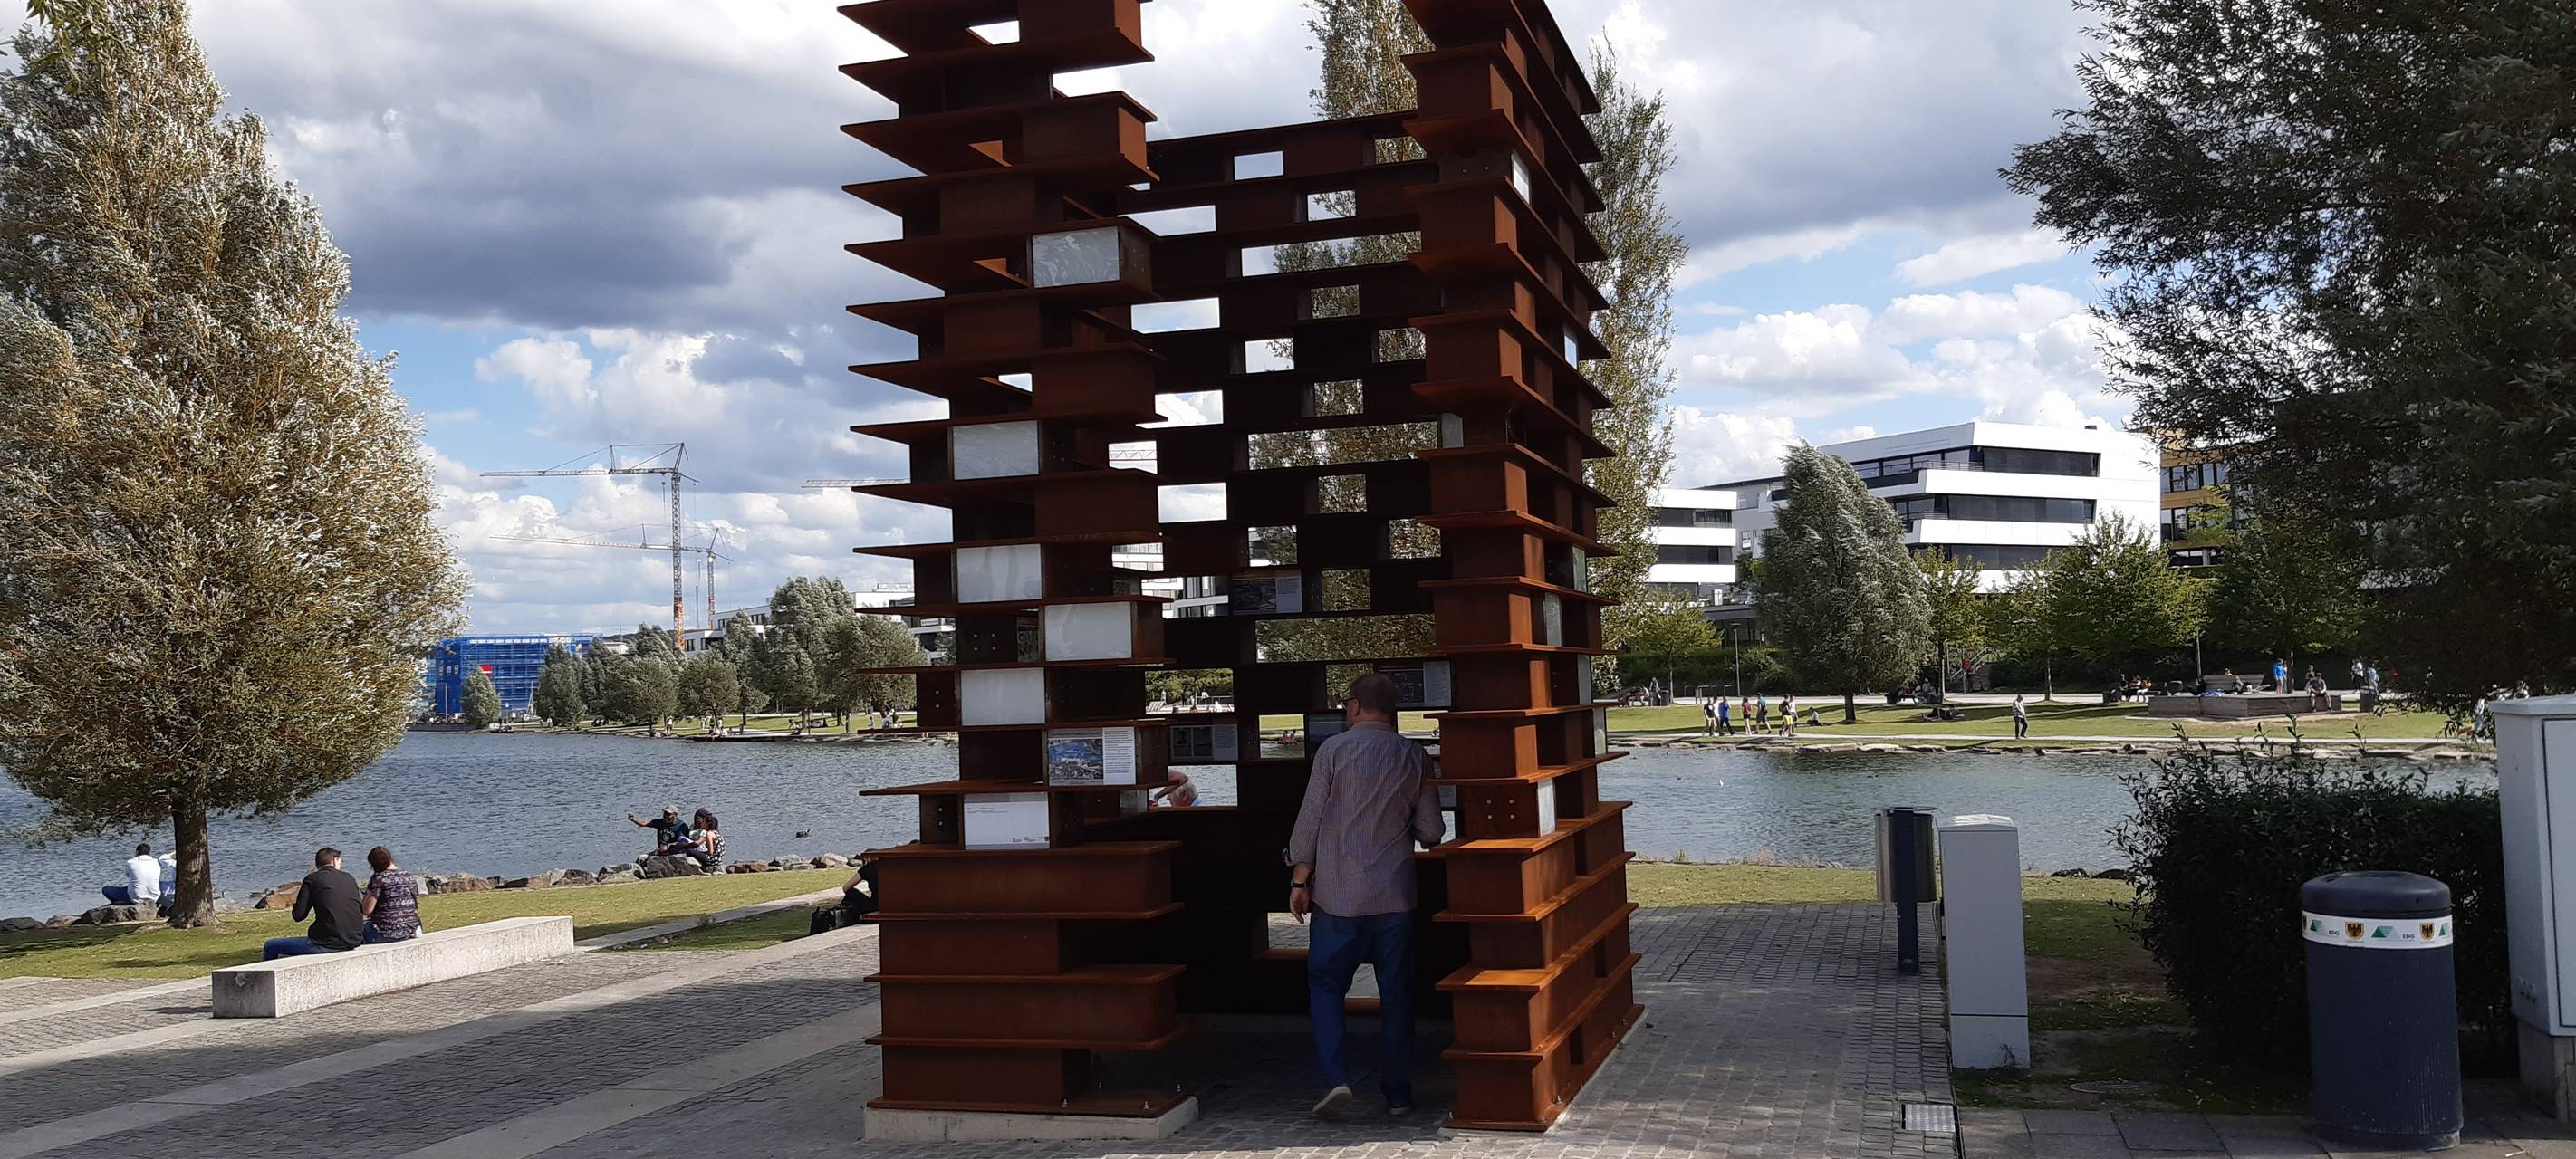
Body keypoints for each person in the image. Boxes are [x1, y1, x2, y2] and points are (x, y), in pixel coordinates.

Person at [1286, 673, 1443, 1120]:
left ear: (1354, 707)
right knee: (1396, 995)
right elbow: (1431, 832)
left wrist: (1300, 881)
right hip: (1395, 895)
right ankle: (1397, 1093)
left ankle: (1336, 1078)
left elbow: (1310, 820)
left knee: (1326, 984)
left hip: (1338, 895)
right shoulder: (1415, 756)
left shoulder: (1333, 751)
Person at [263, 848, 365, 960]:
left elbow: (298, 915)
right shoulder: (349, 878)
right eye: (340, 861)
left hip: (327, 943)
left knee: (270, 946)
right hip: (354, 939)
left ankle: (260, 977)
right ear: (335, 861)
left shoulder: (312, 879)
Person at [360, 846, 423, 943]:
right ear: (391, 858)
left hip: (385, 932)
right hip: (411, 929)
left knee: (358, 930)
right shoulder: (408, 876)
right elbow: (414, 906)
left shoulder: (379, 879)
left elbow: (367, 910)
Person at [811, 857, 882, 934]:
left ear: (867, 859)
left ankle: (838, 916)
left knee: (851, 893)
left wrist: (864, 869)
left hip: (875, 908)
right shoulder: (891, 867)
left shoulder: (869, 868)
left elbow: (846, 888)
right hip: (891, 906)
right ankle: (838, 916)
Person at [102, 842, 161, 907]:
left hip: (136, 898)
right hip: (154, 898)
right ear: (150, 852)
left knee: (106, 889)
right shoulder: (156, 862)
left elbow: (127, 875)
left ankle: (122, 902)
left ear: (137, 852)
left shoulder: (131, 862)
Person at [627, 806, 694, 857]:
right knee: (641, 858)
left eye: (668, 814)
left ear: (675, 815)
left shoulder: (681, 826)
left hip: (676, 852)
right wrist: (633, 819)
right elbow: (645, 823)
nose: (665, 816)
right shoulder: (661, 822)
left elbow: (682, 842)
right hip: (660, 850)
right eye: (665, 813)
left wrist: (669, 850)